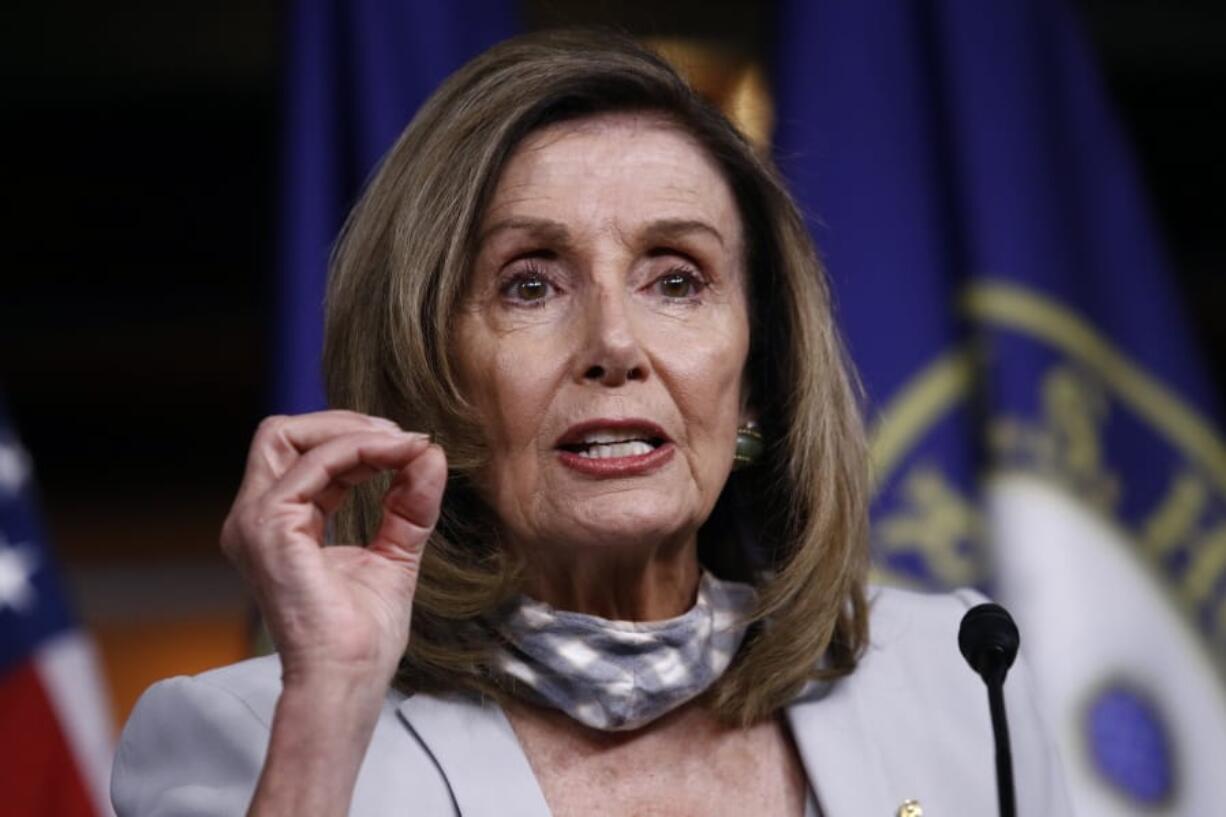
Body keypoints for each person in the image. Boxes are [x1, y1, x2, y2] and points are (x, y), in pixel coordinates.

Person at [111, 30, 1072, 817]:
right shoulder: (250, 733)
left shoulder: (961, 677)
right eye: (529, 284)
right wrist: (327, 707)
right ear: (430, 372)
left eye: (676, 279)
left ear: (756, 381)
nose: (614, 342)